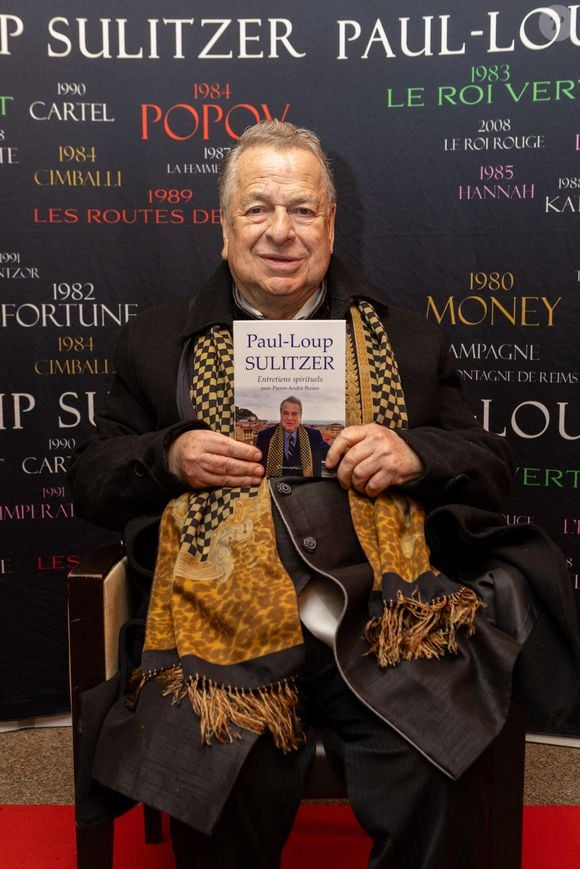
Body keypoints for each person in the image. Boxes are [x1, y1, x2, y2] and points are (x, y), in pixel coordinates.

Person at [69, 120, 579, 869]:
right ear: (224, 227)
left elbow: (489, 464)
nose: (282, 231)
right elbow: (90, 475)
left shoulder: (406, 341)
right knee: (214, 776)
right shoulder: (155, 343)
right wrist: (168, 453)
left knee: (436, 769)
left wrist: (414, 452)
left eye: (304, 209)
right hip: (221, 642)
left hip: (383, 625)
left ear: (331, 224)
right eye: (258, 208)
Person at [256, 396, 330, 476]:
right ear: (280, 415)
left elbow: (331, 454)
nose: (289, 418)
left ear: (300, 416)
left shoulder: (314, 436)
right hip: (274, 487)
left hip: (306, 487)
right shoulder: (264, 436)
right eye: (286, 413)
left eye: (294, 414)